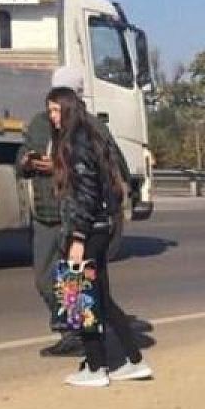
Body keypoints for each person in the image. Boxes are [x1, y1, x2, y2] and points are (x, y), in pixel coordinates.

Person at [20, 66, 131, 357]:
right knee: (46, 278)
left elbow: (111, 170)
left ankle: (84, 340)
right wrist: (28, 162)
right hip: (46, 212)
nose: (54, 113)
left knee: (78, 281)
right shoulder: (39, 124)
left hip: (77, 217)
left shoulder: (91, 129)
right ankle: (81, 332)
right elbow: (22, 154)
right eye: (51, 103)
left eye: (60, 102)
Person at [47, 87, 152, 388]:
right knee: (101, 299)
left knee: (79, 297)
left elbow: (86, 193)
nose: (52, 117)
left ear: (67, 109)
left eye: (55, 110)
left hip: (87, 230)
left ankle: (95, 367)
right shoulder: (89, 135)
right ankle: (133, 361)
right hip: (100, 227)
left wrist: (77, 237)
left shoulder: (76, 142)